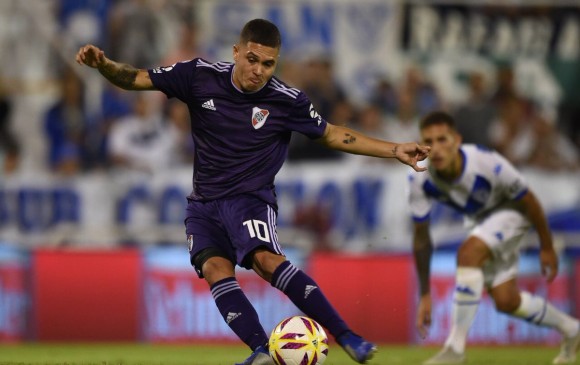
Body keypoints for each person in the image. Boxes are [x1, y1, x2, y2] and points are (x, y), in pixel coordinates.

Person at [75, 18, 430, 365]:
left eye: (268, 63)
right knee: (215, 268)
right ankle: (261, 350)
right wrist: (104, 65)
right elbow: (135, 78)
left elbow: (334, 134)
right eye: (252, 59)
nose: (259, 70)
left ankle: (347, 336)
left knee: (266, 261)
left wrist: (394, 149)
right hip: (203, 204)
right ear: (236, 52)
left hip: (250, 200)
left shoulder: (286, 100)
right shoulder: (198, 75)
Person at [408, 111, 580, 365]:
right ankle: (572, 329)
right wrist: (424, 293)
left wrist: (546, 245)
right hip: (479, 221)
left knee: (468, 253)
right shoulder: (419, 178)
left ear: (457, 140)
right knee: (506, 300)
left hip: (512, 213)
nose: (437, 148)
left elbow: (529, 199)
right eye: (429, 142)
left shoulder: (485, 162)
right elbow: (421, 239)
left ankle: (455, 350)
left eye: (443, 139)